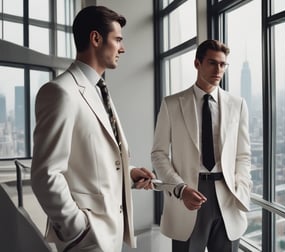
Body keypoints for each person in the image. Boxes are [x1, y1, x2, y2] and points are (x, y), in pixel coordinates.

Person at [31, 5, 155, 252]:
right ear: (96, 38)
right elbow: (45, 174)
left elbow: (90, 159)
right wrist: (77, 229)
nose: (123, 48)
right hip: (87, 240)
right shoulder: (60, 92)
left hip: (110, 233)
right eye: (117, 39)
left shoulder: (98, 90)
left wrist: (128, 174)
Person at [151, 39, 253, 252]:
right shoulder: (171, 104)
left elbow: (243, 155)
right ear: (197, 63)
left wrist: (241, 188)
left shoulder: (238, 105)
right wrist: (180, 189)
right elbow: (159, 154)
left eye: (223, 64)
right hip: (189, 195)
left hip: (228, 196)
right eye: (212, 63)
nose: (219, 69)